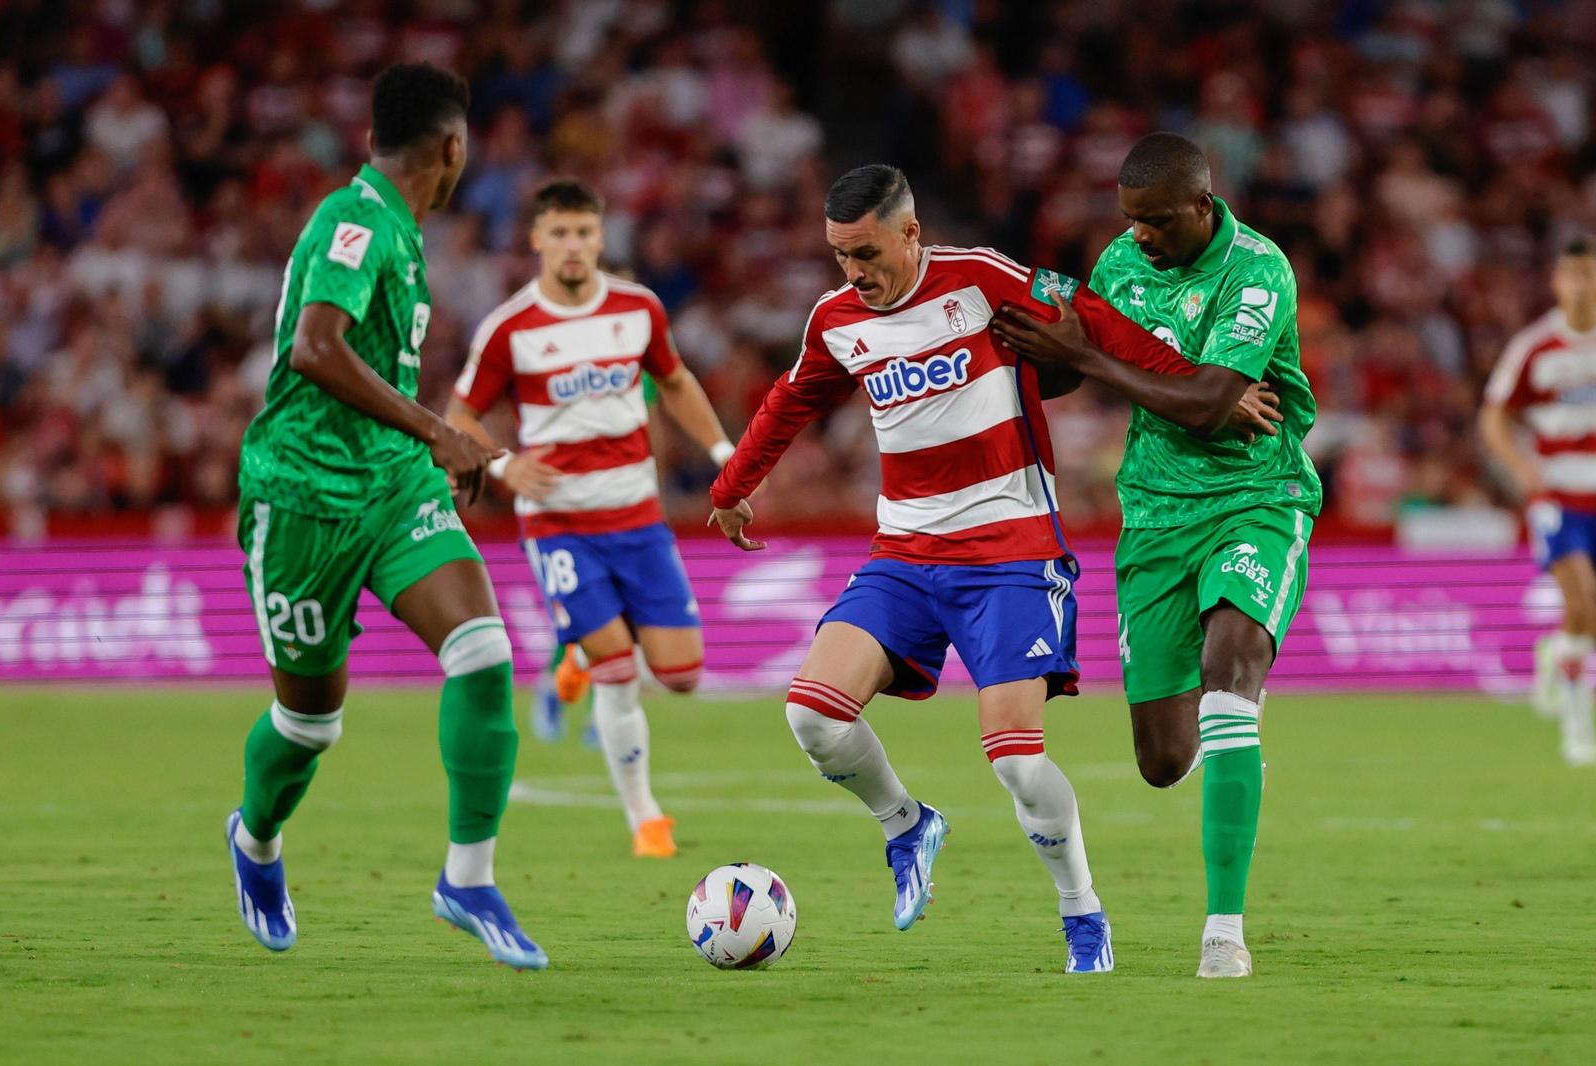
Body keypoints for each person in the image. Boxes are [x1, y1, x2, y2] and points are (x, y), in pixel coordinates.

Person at [709, 164, 1278, 973]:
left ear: (910, 232)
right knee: (813, 717)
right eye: (840, 255)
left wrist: (1206, 391)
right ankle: (907, 824)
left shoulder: (980, 278)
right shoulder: (836, 320)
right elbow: (789, 399)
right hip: (904, 554)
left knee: (1014, 758)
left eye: (866, 252)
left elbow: (1096, 323)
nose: (854, 272)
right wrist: (732, 489)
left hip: (1011, 554)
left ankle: (1081, 910)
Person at [227, 64, 548, 970]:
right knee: (309, 725)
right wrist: (439, 430)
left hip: (395, 485)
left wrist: (423, 445)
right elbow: (314, 348)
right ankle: (254, 841)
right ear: (452, 148)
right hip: (302, 497)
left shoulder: (398, 230)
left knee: (483, 653)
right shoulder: (358, 221)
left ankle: (468, 880)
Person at [992, 132, 1319, 978]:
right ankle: (1224, 742)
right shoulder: (1121, 263)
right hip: (1154, 518)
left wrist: (1090, 357)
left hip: (1256, 497)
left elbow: (1210, 403)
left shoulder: (1257, 270)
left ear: (1202, 206)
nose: (1139, 235)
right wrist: (1025, 343)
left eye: (1157, 221)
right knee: (1163, 762)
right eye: (1130, 219)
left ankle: (1224, 933)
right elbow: (1071, 370)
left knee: (1230, 676)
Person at [446, 179, 737, 858]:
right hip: (561, 523)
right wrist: (502, 466)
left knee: (682, 675)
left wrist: (726, 456)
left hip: (637, 519)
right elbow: (460, 415)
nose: (572, 245)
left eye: (583, 232)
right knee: (618, 668)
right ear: (536, 239)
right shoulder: (510, 327)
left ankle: (578, 646)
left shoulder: (638, 309)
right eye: (559, 233)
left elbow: (675, 382)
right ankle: (645, 818)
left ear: (601, 237)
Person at [1480, 238, 1596, 767]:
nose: (1581, 286)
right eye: (1573, 275)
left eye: (1589, 275)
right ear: (1557, 282)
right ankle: (1577, 729)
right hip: (1557, 495)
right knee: (1582, 603)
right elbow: (1493, 415)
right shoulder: (1535, 345)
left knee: (1587, 616)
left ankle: (1557, 653)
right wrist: (1521, 468)